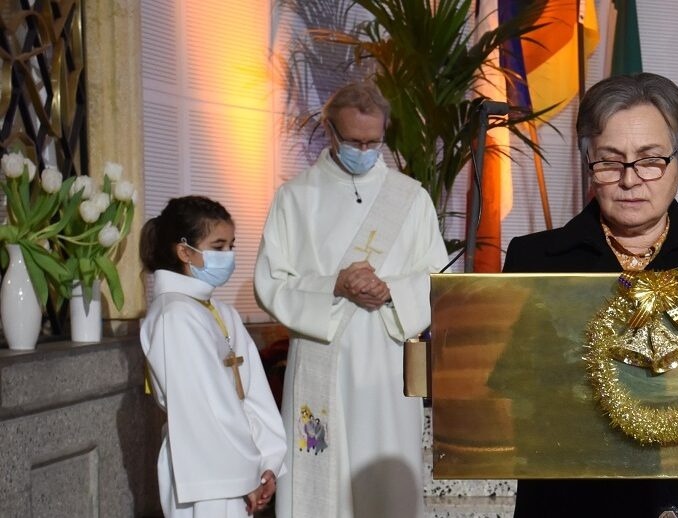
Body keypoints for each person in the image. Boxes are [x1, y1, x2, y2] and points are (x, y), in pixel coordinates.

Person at [503, 72, 678, 518]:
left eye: (650, 160)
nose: (629, 179)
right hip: (569, 498)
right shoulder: (536, 260)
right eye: (610, 160)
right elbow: (512, 390)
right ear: (589, 164)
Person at [254, 82, 448, 517]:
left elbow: (438, 277)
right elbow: (271, 282)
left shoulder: (410, 197)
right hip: (322, 356)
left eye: (374, 142)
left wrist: (392, 290)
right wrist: (333, 285)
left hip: (386, 362)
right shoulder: (295, 198)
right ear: (330, 131)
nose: (365, 149)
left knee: (387, 489)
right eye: (354, 141)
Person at [140, 196, 287, 517]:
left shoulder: (219, 311)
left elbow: (254, 392)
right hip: (206, 468)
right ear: (184, 251)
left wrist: (268, 460)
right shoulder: (174, 316)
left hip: (241, 464)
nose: (229, 256)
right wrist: (242, 473)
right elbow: (200, 409)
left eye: (231, 246)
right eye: (218, 247)